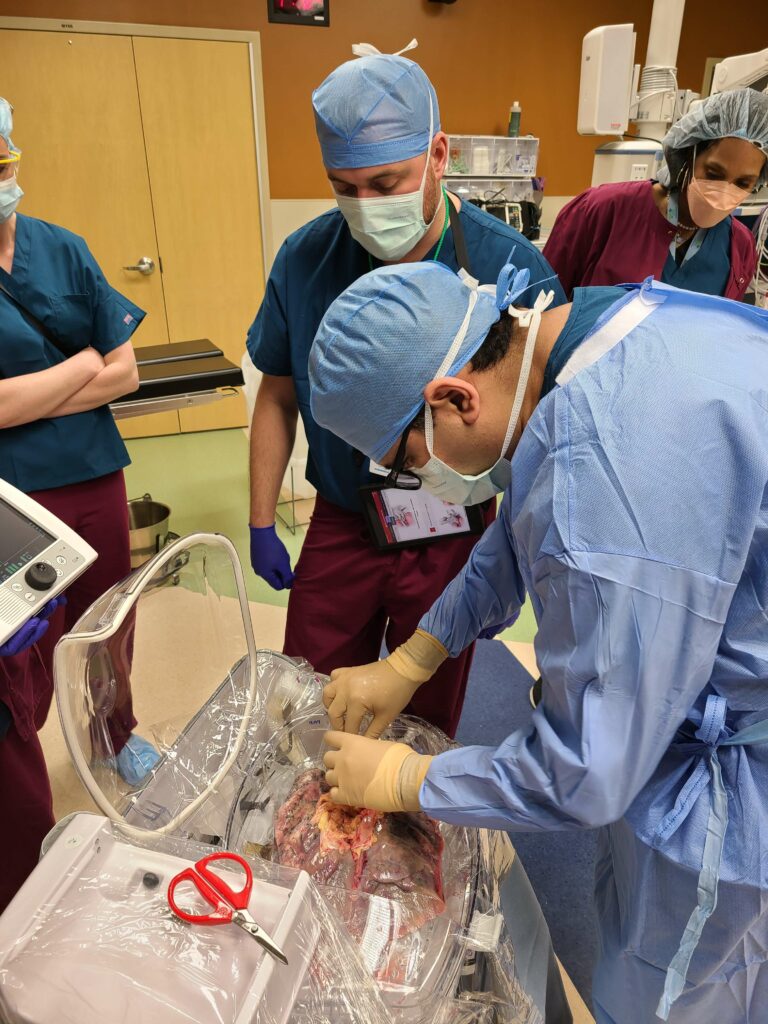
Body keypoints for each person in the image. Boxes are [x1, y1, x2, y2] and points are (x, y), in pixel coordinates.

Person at [307, 257, 768, 1023]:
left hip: (729, 777)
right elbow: (525, 526)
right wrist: (414, 655)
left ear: (453, 397)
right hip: (688, 707)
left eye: (409, 462)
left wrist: (411, 781)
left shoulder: (617, 458)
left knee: (678, 986)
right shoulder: (582, 341)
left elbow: (589, 770)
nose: (420, 484)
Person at [246, 44, 565, 737]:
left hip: (455, 523)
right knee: (310, 704)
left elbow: (544, 429)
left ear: (440, 153)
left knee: (423, 715)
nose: (367, 207)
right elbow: (276, 391)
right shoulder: (308, 260)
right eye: (345, 186)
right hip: (344, 516)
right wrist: (262, 518)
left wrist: (514, 553)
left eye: (388, 182)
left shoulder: (512, 267)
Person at [0, 98, 153, 911]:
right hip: (11, 496)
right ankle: (22, 775)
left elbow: (126, 372)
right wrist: (78, 368)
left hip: (93, 477)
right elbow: (96, 365)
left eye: (3, 164)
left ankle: (116, 735)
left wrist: (32, 391)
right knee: (23, 647)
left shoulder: (61, 248)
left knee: (108, 620)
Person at [544, 88, 768, 301]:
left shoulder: (739, 246)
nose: (723, 191)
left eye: (743, 183)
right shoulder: (602, 210)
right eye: (713, 173)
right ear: (687, 155)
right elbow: (538, 309)